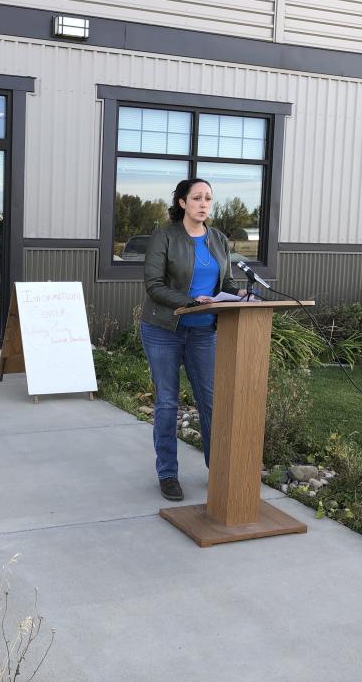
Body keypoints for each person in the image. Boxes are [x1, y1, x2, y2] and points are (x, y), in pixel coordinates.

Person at [140, 178, 247, 501]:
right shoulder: (165, 238)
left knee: (210, 402)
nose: (204, 204)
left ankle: (219, 470)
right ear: (183, 203)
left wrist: (237, 293)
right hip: (164, 330)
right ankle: (168, 474)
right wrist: (187, 302)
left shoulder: (218, 239)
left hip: (204, 332)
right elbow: (154, 285)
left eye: (209, 199)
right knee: (168, 403)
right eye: (197, 198)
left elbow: (225, 280)